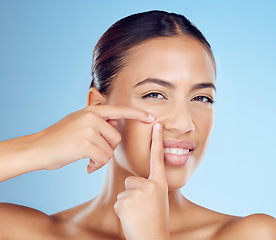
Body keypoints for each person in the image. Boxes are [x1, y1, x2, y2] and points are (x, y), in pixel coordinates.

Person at [0, 10, 275, 240]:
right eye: (155, 94)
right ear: (98, 107)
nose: (184, 123)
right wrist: (37, 147)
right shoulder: (29, 233)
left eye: (201, 97)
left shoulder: (254, 234)